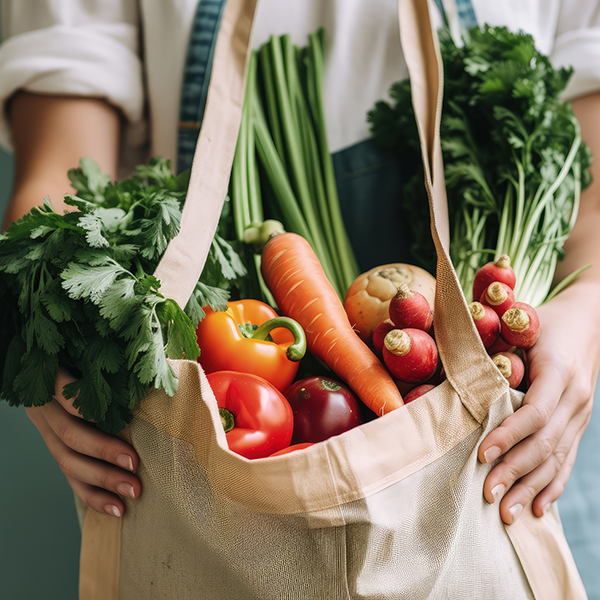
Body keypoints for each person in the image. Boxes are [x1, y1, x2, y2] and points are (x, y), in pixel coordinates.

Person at [1, 0, 599, 556]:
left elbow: (589, 187)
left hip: (518, 435)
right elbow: (63, 174)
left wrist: (584, 311)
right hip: (220, 417)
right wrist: (44, 323)